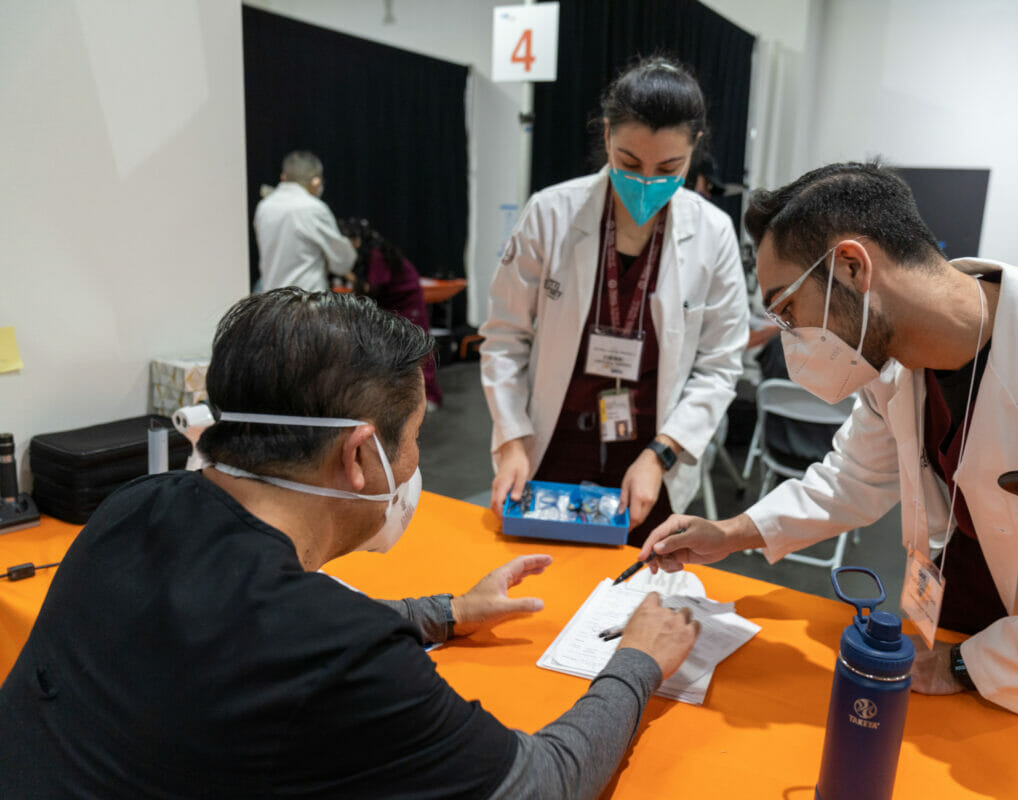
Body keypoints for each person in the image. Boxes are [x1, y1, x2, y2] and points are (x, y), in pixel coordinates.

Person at [0, 289, 700, 798]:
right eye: (416, 439)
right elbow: (543, 783)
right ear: (362, 456)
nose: (417, 462)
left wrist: (447, 611)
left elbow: (244, 649)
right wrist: (637, 659)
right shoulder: (332, 648)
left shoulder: (134, 509)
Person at [639, 160, 1018, 718]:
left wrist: (966, 667)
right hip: (961, 631)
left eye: (789, 311)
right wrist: (730, 532)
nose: (790, 339)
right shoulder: (895, 362)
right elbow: (854, 477)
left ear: (853, 267)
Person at [481, 57, 749, 545]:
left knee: (632, 595)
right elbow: (504, 338)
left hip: (648, 457)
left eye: (669, 168)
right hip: (552, 443)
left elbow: (720, 365)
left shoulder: (713, 233)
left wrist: (661, 454)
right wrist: (514, 440)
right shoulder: (550, 213)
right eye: (630, 163)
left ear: (694, 153)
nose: (647, 181)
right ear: (606, 136)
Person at [340, 217, 444, 409]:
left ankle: (430, 396)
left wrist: (344, 271)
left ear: (355, 239)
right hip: (391, 306)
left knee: (419, 351)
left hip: (407, 304)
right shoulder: (366, 256)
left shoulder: (376, 255)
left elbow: (372, 287)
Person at [254, 150, 357, 292]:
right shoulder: (313, 208)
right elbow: (343, 261)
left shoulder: (264, 207)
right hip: (306, 301)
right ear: (316, 181)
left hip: (272, 301)